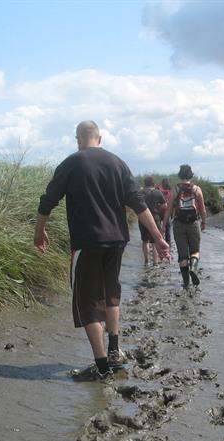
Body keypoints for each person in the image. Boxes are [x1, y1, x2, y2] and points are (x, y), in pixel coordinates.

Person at [34, 120, 169, 381]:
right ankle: (115, 351)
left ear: (78, 139)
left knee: (87, 305)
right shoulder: (118, 163)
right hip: (117, 241)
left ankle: (101, 366)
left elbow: (47, 201)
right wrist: (159, 238)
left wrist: (39, 232)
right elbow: (139, 205)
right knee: (110, 295)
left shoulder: (71, 164)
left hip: (88, 243)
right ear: (100, 137)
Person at [162, 164, 207, 289]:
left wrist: (163, 226)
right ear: (190, 175)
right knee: (195, 251)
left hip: (178, 224)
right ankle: (193, 269)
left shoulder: (175, 190)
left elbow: (168, 210)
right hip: (193, 224)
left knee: (182, 255)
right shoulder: (197, 189)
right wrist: (204, 222)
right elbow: (202, 210)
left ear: (180, 175)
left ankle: (186, 282)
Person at [139, 176, 166, 265]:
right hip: (155, 217)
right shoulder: (158, 192)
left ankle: (146, 261)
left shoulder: (141, 192)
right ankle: (155, 262)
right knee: (155, 241)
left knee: (145, 240)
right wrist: (158, 209)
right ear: (153, 184)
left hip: (143, 217)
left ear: (145, 183)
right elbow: (165, 205)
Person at [158, 178, 173, 246]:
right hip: (167, 213)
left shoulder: (158, 190)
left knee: (158, 229)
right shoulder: (171, 191)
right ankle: (168, 247)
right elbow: (173, 204)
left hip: (158, 212)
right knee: (168, 231)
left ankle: (157, 244)